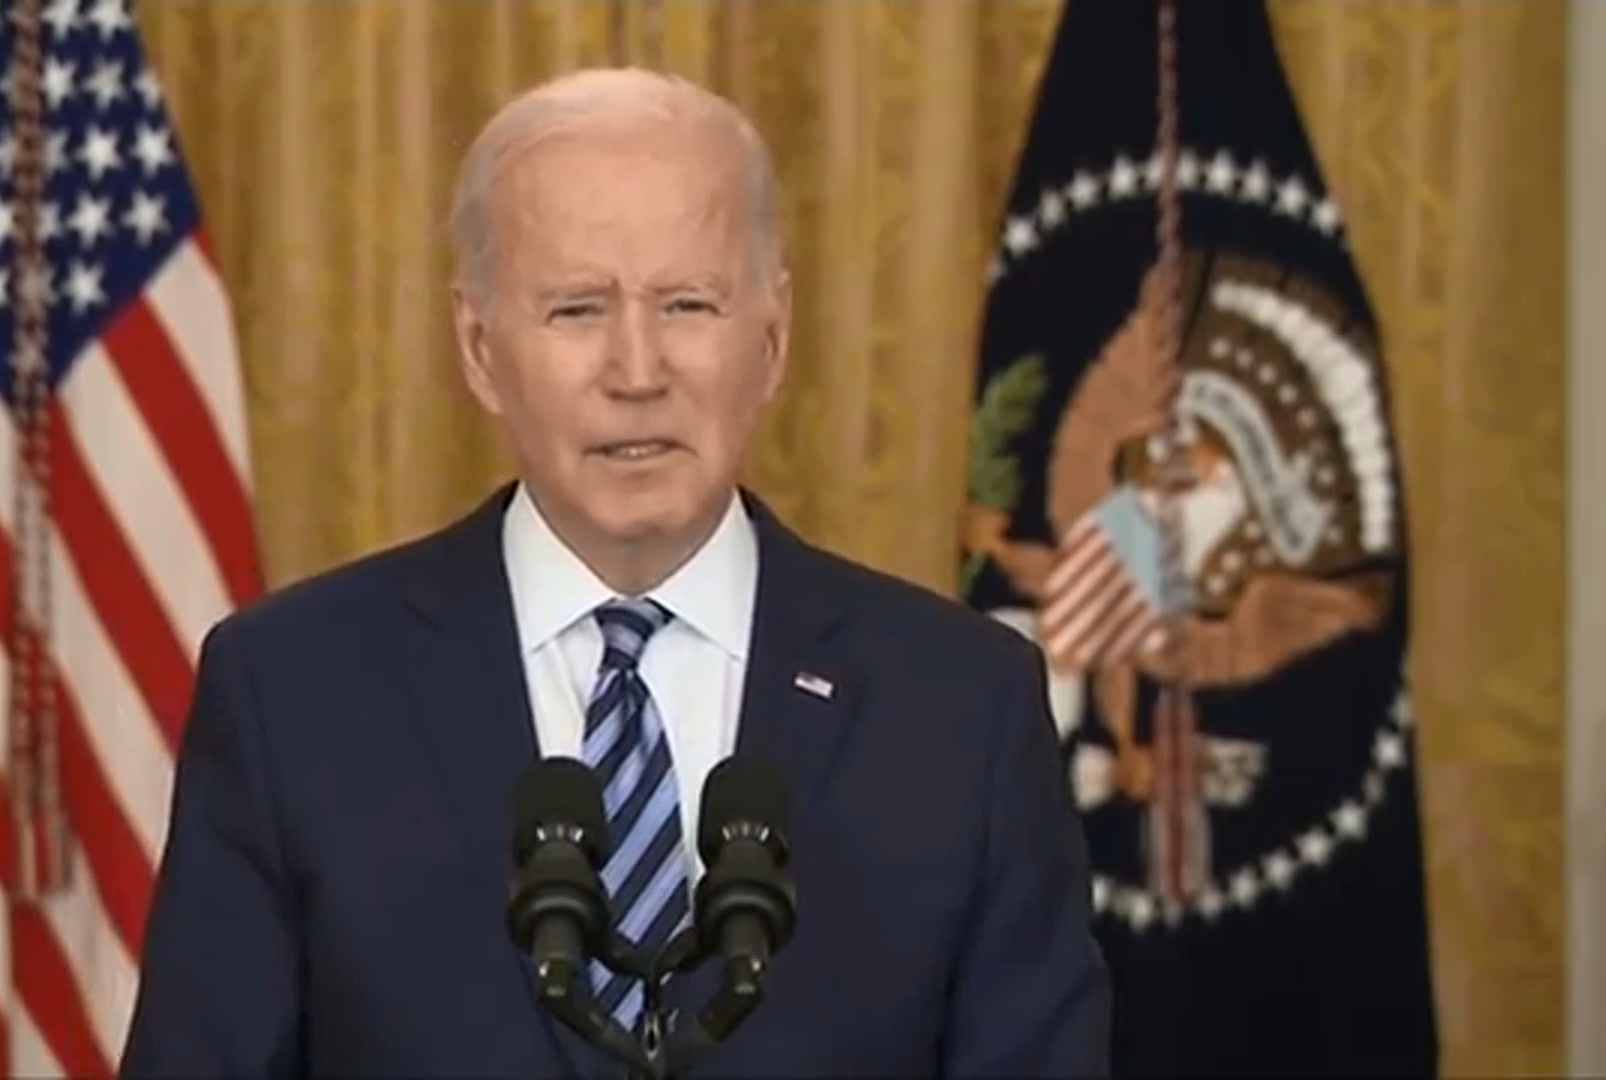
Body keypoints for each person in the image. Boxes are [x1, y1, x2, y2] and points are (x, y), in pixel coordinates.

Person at [119, 67, 1108, 1078]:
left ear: (772, 339)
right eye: (577, 310)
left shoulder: (963, 707)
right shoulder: (294, 695)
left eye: (687, 303)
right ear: (478, 349)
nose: (637, 371)